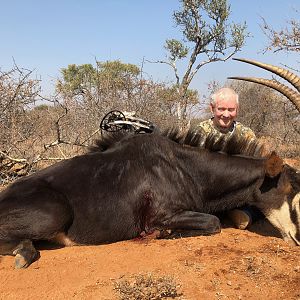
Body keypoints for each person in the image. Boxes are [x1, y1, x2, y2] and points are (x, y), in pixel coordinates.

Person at [196, 87, 260, 229]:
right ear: (212, 108)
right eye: (221, 109)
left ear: (237, 109)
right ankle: (237, 214)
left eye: (231, 109)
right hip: (209, 191)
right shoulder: (199, 132)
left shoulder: (246, 134)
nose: (226, 114)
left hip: (238, 190)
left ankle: (242, 214)